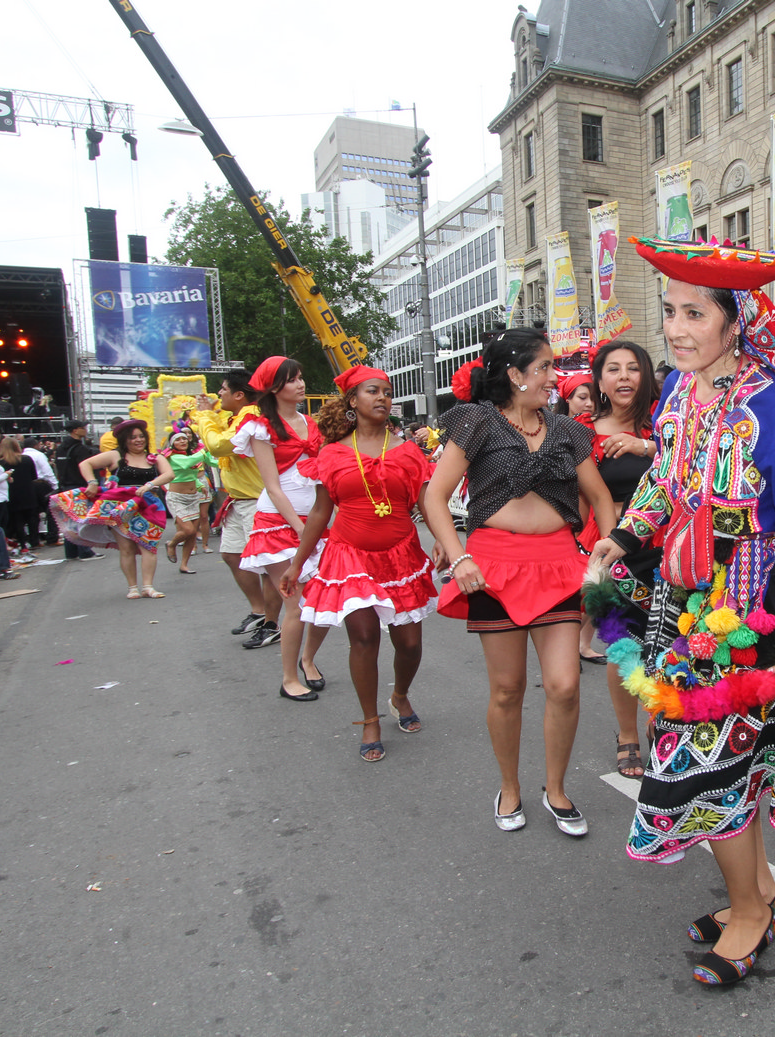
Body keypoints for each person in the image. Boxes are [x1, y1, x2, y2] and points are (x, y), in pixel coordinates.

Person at [588, 236, 775, 987]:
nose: (676, 329)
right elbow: (664, 478)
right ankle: (757, 895)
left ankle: (750, 907)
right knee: (716, 762)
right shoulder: (681, 394)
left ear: (735, 319)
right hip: (689, 605)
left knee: (714, 760)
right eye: (669, 312)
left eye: (694, 313)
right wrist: (626, 535)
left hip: (761, 610)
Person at [420, 327, 616, 838]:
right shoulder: (477, 421)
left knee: (565, 685)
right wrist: (459, 557)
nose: (555, 377)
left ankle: (556, 789)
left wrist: (605, 556)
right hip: (494, 567)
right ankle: (509, 787)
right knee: (507, 689)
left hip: (559, 565)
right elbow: (434, 496)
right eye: (545, 367)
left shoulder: (568, 430)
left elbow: (600, 498)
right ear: (514, 374)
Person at [279, 367, 435, 762]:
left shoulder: (408, 452)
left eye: (387, 392)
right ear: (352, 400)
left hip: (401, 556)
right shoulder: (331, 453)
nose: (383, 398)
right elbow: (320, 512)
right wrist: (297, 564)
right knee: (364, 637)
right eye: (373, 391)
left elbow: (427, 503)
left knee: (409, 644)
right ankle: (370, 720)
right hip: (349, 556)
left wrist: (446, 542)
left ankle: (400, 694)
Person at [573, 340, 661, 779]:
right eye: (614, 369)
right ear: (600, 381)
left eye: (633, 368)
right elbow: (579, 502)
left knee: (673, 642)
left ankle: (664, 721)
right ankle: (628, 735)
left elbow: (693, 462)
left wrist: (644, 446)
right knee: (624, 645)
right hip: (612, 550)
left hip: (670, 548)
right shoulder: (582, 433)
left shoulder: (667, 422)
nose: (624, 376)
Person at [232, 356, 331, 699]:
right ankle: (289, 679)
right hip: (277, 523)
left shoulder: (313, 423)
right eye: (292, 380)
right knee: (297, 605)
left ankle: (308, 659)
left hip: (315, 520)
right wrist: (302, 529)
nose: (300, 384)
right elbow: (273, 487)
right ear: (273, 387)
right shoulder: (259, 427)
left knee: (324, 600)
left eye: (300, 377)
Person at [191, 370, 269, 637]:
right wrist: (209, 414)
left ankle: (273, 623)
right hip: (238, 501)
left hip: (258, 502)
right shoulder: (236, 417)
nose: (219, 393)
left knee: (267, 565)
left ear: (239, 394)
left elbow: (218, 445)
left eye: (223, 389)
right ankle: (259, 612)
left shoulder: (251, 416)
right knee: (231, 555)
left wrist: (205, 415)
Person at [60, 419, 172, 598]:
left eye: (141, 436)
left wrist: (150, 484)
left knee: (149, 546)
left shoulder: (155, 458)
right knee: (126, 548)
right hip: (121, 507)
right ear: (124, 440)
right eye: (133, 437)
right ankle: (132, 588)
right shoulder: (115, 456)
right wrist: (92, 482)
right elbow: (85, 464)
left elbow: (169, 474)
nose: (138, 440)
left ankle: (148, 587)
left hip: (148, 507)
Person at [161, 428, 214, 575]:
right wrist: (205, 449)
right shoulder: (172, 457)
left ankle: (184, 565)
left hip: (193, 498)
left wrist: (199, 485)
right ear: (172, 443)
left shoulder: (190, 455)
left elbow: (191, 474)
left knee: (191, 535)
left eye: (184, 438)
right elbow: (187, 463)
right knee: (188, 530)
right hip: (177, 498)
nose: (182, 441)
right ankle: (171, 544)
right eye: (178, 439)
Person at [51, 420, 99, 561]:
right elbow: (86, 469)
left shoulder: (60, 448)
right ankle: (85, 552)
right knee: (81, 520)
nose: (85, 430)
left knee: (69, 520)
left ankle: (71, 552)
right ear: (75, 430)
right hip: (79, 486)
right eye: (83, 427)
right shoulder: (80, 449)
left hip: (64, 486)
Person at [0, 437, 40, 557]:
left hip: (12, 493)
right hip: (28, 491)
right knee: (32, 517)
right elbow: (34, 476)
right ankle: (34, 540)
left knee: (17, 519)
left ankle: (22, 543)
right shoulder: (26, 459)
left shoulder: (1, 463)